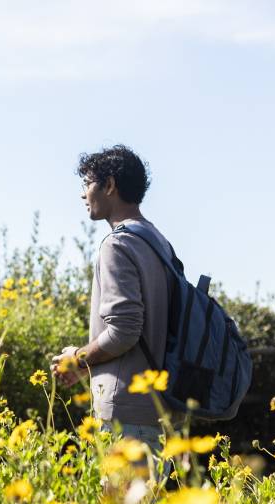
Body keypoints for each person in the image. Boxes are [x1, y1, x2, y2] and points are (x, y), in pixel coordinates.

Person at [51, 145, 174, 456]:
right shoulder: (159, 243)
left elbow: (125, 331)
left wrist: (78, 357)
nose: (83, 195)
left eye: (87, 184)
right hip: (161, 407)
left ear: (109, 186)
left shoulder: (117, 245)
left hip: (126, 414)